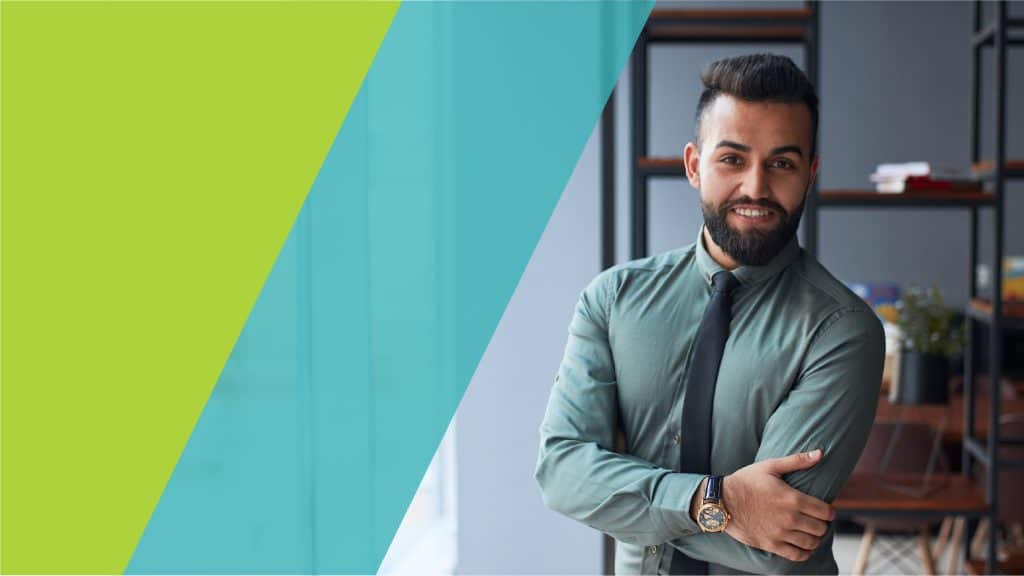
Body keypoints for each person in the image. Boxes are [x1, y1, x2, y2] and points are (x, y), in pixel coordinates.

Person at [534, 54, 884, 575]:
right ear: (695, 165)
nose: (756, 188)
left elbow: (774, 543)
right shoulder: (613, 299)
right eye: (732, 160)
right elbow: (562, 474)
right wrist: (714, 501)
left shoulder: (840, 329)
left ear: (810, 173)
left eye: (782, 164)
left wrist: (625, 489)